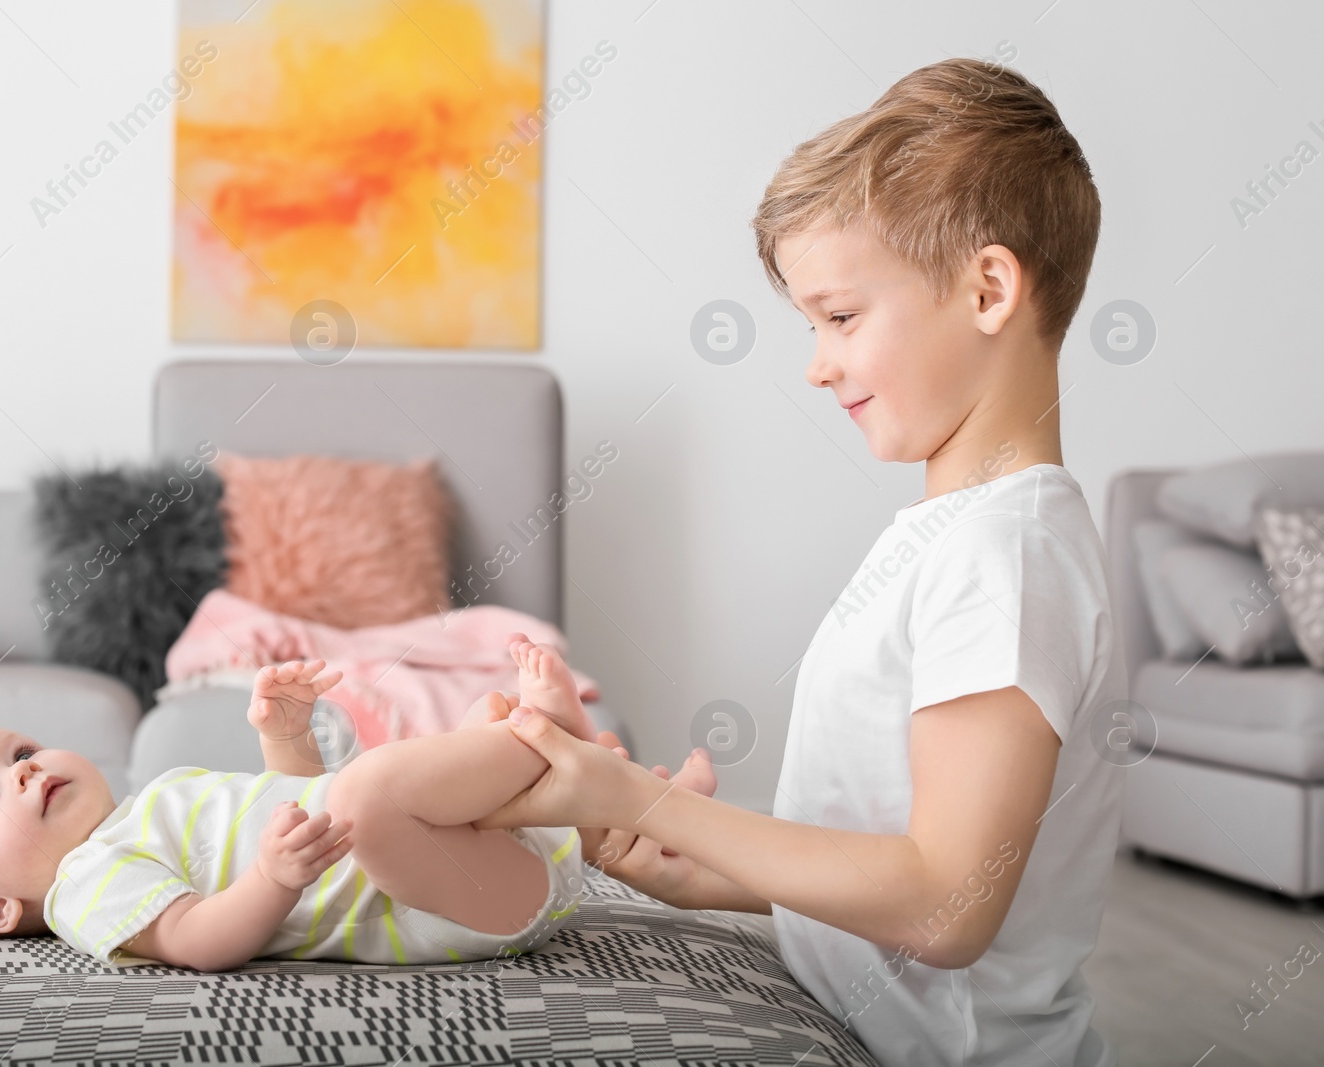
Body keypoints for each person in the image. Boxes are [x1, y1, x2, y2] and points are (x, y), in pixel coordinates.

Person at [476, 56, 1124, 1067]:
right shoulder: (955, 535)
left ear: (988, 287)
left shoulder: (1010, 556)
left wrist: (643, 801)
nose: (815, 361)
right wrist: (696, 857)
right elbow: (888, 862)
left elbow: (947, 903)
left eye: (841, 315)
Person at [0, 640, 714, 972]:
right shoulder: (83, 885)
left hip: (457, 863)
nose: (25, 774)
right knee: (369, 791)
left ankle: (619, 811)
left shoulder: (148, 807)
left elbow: (299, 804)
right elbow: (193, 940)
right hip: (445, 909)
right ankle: (565, 754)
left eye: (22, 753)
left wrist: (287, 739)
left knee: (466, 729)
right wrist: (272, 881)